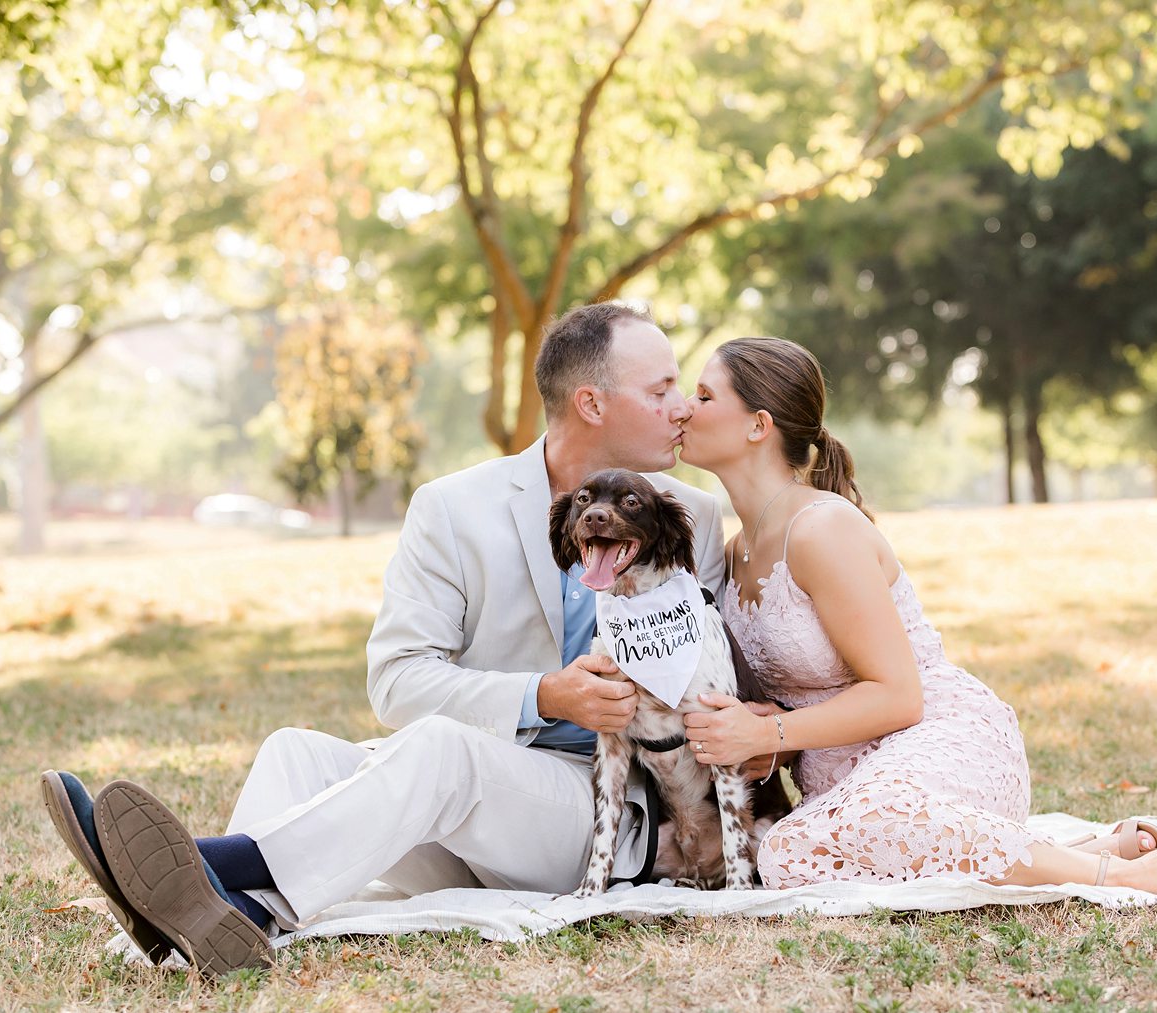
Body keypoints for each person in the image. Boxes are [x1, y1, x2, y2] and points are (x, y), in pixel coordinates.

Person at [41, 303, 729, 972]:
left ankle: (211, 864)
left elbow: (726, 680)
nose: (682, 408)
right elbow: (397, 681)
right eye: (662, 388)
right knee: (295, 753)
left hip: (606, 821)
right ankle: (233, 919)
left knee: (440, 748)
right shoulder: (454, 508)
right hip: (464, 814)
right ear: (591, 403)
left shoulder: (690, 518)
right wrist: (545, 695)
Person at [675, 336, 1157, 894]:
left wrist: (769, 731)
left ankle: (1121, 874)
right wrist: (768, 738)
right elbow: (809, 692)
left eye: (705, 396)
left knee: (795, 846)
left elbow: (900, 695)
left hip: (940, 742)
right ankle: (1076, 851)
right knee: (790, 855)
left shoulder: (821, 529)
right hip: (846, 783)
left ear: (758, 425)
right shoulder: (734, 552)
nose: (686, 407)